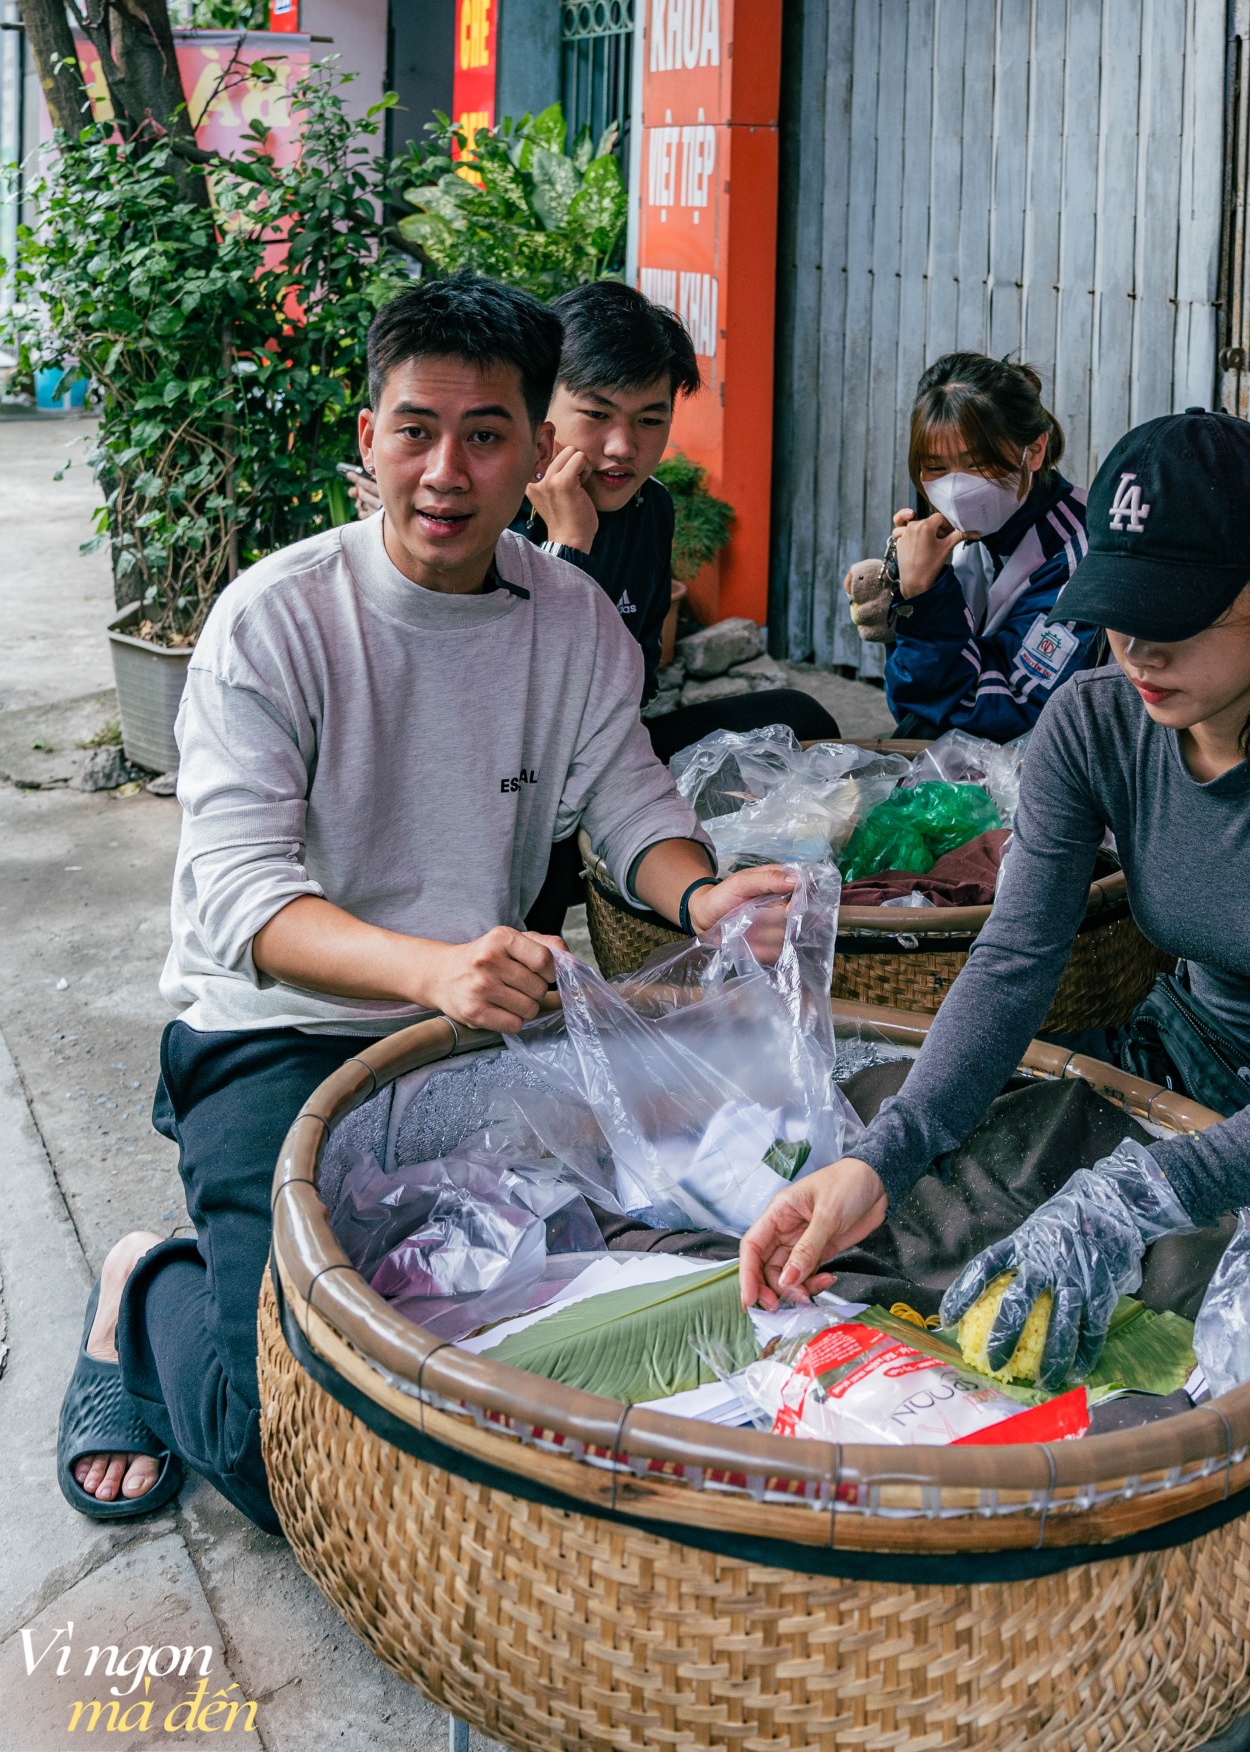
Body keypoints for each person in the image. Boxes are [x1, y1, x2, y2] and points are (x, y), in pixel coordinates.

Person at [58, 274, 792, 1531]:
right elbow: (241, 897)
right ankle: (145, 1282)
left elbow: (632, 807)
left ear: (534, 448)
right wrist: (433, 969)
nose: (446, 470)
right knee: (278, 1452)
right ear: (369, 438)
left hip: (468, 1041)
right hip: (270, 1036)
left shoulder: (569, 623)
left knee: (605, 1324)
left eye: (485, 433)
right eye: (416, 429)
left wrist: (708, 895)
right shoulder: (276, 621)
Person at [746, 408, 1250, 1541]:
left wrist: (1143, 1192)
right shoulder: (1093, 727)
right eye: (1117, 621)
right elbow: (1010, 965)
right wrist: (888, 1155)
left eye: (1171, 625)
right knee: (916, 1215)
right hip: (1188, 1062)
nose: (1134, 654)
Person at [348, 279, 838, 762]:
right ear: (540, 412)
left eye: (649, 420)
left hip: (603, 751)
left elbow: (638, 681)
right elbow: (503, 707)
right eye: (596, 414)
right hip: (489, 768)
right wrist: (567, 547)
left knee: (799, 718)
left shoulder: (651, 508)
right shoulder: (473, 512)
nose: (623, 447)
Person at [845, 354, 1098, 742]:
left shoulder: (1079, 555)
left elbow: (1002, 713)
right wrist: (902, 596)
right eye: (936, 467)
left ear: (1034, 451)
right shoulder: (946, 533)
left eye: (977, 464)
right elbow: (914, 704)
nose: (955, 489)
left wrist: (926, 601)